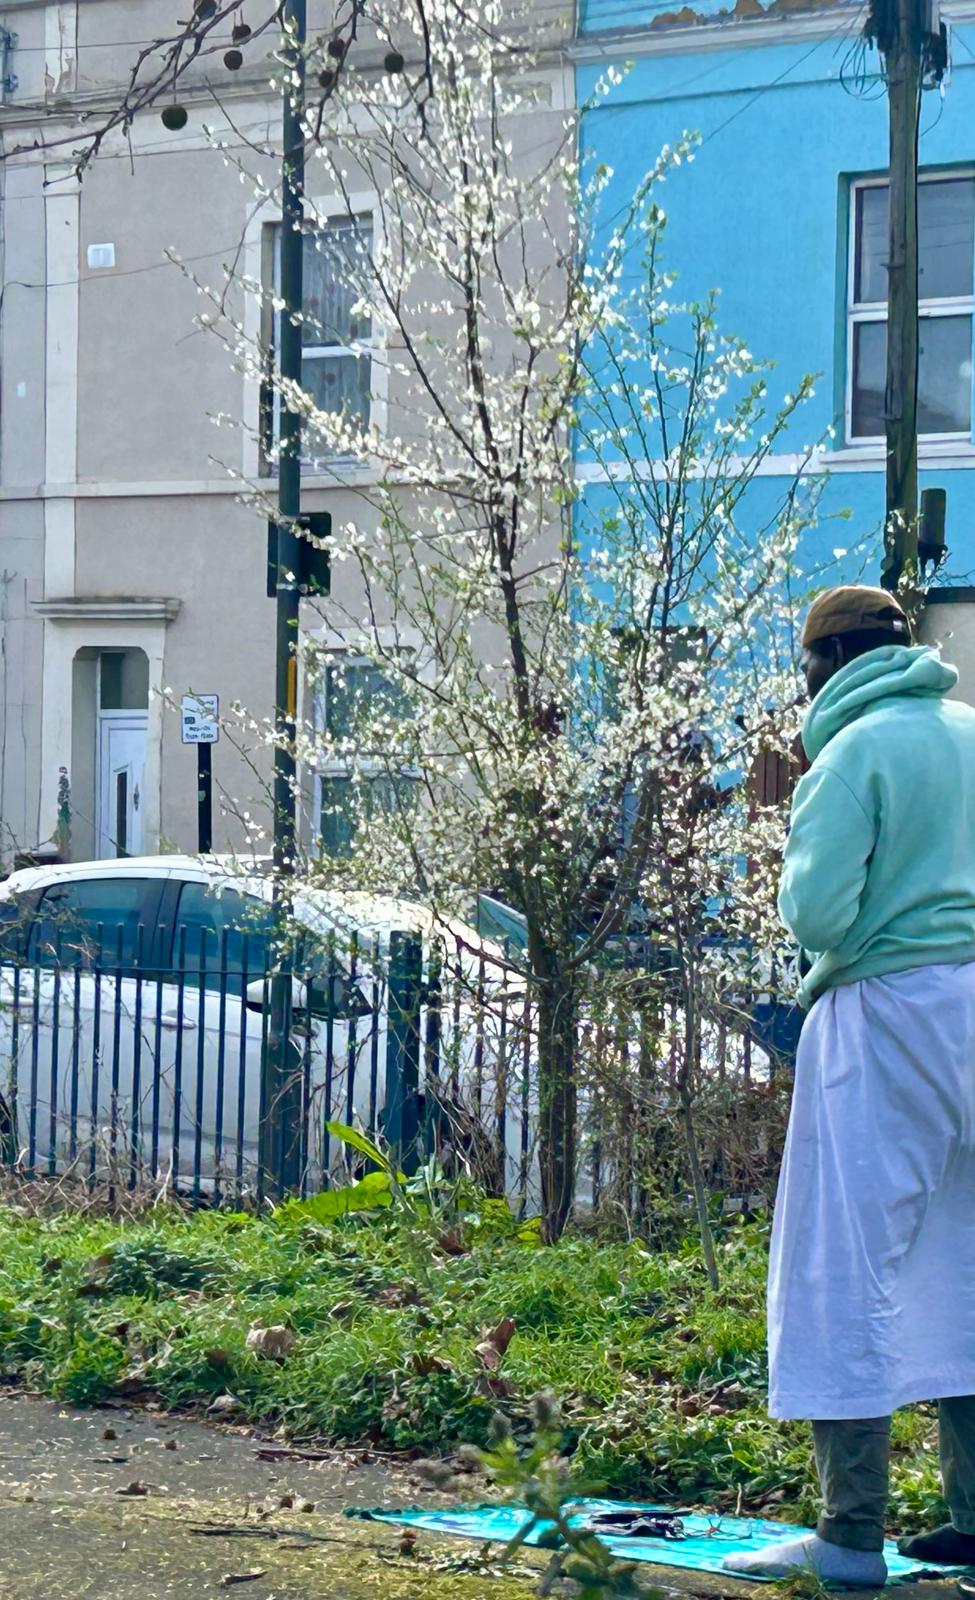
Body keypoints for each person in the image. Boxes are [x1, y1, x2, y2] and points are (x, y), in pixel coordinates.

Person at [723, 583, 975, 1586]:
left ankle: (850, 1532)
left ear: (822, 666)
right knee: (966, 1258)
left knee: (843, 1261)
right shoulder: (969, 729)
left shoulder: (850, 754)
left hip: (886, 1012)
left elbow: (822, 913)